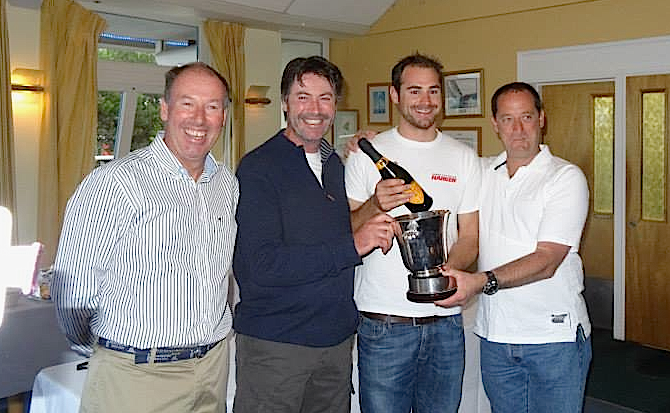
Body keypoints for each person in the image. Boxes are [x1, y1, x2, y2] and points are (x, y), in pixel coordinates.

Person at [52, 62, 237, 413]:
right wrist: (108, 350)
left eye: (212, 106)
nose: (199, 119)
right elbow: (72, 292)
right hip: (136, 377)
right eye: (187, 103)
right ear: (165, 110)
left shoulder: (227, 186)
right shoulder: (114, 184)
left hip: (212, 370)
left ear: (223, 117)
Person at [232, 56, 393, 413]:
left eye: (326, 97)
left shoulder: (335, 165)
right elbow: (261, 264)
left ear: (336, 104)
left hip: (335, 345)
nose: (315, 109)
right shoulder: (259, 168)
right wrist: (354, 245)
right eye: (303, 97)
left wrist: (363, 158)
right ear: (286, 102)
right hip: (276, 347)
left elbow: (338, 229)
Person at [437, 82, 592, 413]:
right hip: (495, 337)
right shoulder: (481, 173)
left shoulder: (564, 177)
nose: (518, 129)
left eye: (526, 117)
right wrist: (372, 143)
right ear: (495, 124)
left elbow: (547, 259)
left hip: (553, 340)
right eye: (507, 119)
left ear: (542, 119)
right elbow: (431, 163)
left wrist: (481, 281)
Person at [344, 53, 481, 413]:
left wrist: (449, 273)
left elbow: (469, 237)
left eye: (433, 91)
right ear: (394, 95)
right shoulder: (366, 156)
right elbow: (343, 233)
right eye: (415, 90)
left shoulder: (464, 158)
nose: (426, 101)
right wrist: (375, 204)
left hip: (445, 324)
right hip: (384, 324)